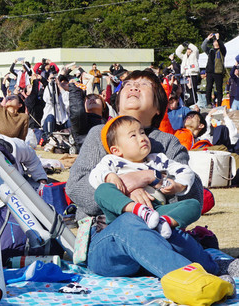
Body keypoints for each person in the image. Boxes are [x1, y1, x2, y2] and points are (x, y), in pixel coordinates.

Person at [66, 70, 223, 280]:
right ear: (118, 100)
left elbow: (191, 197)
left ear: (159, 107)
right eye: (128, 84)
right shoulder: (100, 135)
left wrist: (150, 177)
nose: (133, 87)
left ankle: (214, 271)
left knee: (176, 234)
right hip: (108, 234)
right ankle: (192, 280)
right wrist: (125, 194)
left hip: (161, 232)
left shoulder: (167, 143)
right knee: (130, 223)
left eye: (144, 85)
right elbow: (76, 187)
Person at [89, 116, 199, 239]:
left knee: (193, 205)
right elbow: (94, 175)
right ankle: (140, 211)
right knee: (103, 190)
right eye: (133, 136)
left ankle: (163, 222)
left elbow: (186, 171)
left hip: (155, 208)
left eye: (142, 132)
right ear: (116, 150)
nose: (142, 138)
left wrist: (178, 186)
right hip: (123, 212)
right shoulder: (111, 160)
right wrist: (110, 176)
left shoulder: (157, 159)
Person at [201, 33, 226, 107]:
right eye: (214, 41)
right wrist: (208, 38)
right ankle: (208, 103)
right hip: (210, 72)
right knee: (208, 88)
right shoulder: (210, 50)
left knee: (219, 89)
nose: (215, 42)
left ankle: (219, 105)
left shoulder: (222, 51)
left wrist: (218, 38)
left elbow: (222, 46)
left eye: (216, 41)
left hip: (218, 72)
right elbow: (203, 47)